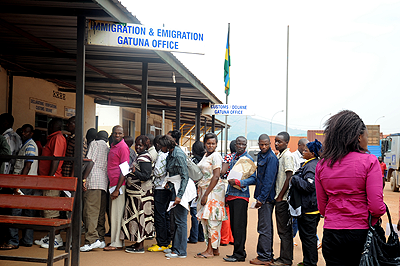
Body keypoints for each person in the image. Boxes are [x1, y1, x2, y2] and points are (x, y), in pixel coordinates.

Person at [315, 110, 386, 266]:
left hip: (332, 234)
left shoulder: (322, 165)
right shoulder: (370, 162)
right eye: (366, 136)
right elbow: (376, 207)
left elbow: (322, 208)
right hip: (361, 234)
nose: (367, 140)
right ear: (359, 137)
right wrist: (381, 211)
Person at [1, 124, 38, 250]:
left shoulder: (30, 145)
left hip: (24, 182)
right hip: (29, 182)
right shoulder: (26, 144)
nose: (24, 134)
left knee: (15, 212)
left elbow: (27, 165)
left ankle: (13, 241)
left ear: (31, 133)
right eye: (23, 132)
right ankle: (27, 240)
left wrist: (19, 185)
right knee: (28, 212)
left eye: (27, 132)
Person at [34, 118, 67, 249]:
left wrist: (51, 177)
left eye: (50, 125)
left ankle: (56, 239)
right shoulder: (52, 138)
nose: (48, 127)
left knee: (51, 210)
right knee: (47, 210)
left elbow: (56, 158)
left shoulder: (58, 137)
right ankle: (50, 236)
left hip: (52, 179)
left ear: (54, 126)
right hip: (47, 179)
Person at [223, 136, 256, 262]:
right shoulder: (233, 158)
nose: (241, 146)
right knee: (233, 225)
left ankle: (240, 254)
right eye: (238, 144)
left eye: (243, 144)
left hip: (241, 196)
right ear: (235, 144)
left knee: (239, 226)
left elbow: (253, 179)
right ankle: (236, 252)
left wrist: (239, 182)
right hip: (231, 195)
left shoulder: (248, 159)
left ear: (246, 145)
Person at [290, 139, 322, 266]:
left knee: (308, 238)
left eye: (306, 150)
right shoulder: (310, 163)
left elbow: (310, 186)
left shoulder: (310, 166)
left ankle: (310, 263)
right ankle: (307, 261)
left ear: (313, 153)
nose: (303, 151)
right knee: (306, 237)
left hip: (310, 208)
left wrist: (295, 178)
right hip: (310, 207)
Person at [194, 133, 226, 258]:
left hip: (213, 192)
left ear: (216, 144)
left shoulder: (216, 156)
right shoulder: (206, 155)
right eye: (208, 143)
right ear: (204, 144)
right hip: (205, 190)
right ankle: (215, 248)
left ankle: (209, 250)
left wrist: (206, 194)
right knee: (207, 220)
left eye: (213, 143)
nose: (211, 145)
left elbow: (216, 176)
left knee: (212, 220)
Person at [160, 134, 191, 258]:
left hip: (181, 190)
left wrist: (179, 195)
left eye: (161, 145)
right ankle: (175, 247)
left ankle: (181, 251)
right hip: (175, 188)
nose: (160, 148)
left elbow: (185, 176)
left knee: (181, 221)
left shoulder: (178, 155)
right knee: (175, 220)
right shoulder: (171, 154)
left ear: (167, 145)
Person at [122, 135, 154, 253]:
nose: (138, 147)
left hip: (141, 195)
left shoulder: (144, 158)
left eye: (140, 145)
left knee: (140, 219)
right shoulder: (140, 156)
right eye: (136, 144)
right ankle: (137, 243)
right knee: (137, 218)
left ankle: (140, 246)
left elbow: (146, 176)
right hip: (136, 194)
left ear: (146, 146)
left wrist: (134, 171)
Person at [250, 134, 279, 265]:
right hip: (262, 197)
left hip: (266, 199)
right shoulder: (262, 156)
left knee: (264, 228)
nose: (263, 147)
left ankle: (265, 257)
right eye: (261, 144)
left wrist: (261, 199)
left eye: (266, 144)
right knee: (264, 226)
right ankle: (266, 254)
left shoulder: (271, 158)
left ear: (270, 144)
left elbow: (268, 181)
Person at [80, 131, 110, 252]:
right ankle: (101, 238)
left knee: (90, 211)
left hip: (93, 180)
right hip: (103, 182)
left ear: (97, 137)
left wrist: (84, 178)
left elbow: (90, 161)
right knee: (100, 212)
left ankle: (91, 240)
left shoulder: (94, 143)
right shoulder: (107, 148)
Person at [104, 125, 130, 251]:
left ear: (123, 134)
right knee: (113, 213)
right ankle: (116, 241)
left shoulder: (123, 147)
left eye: (119, 133)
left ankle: (117, 243)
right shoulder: (113, 146)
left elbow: (124, 171)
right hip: (112, 184)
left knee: (117, 214)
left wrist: (116, 189)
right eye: (115, 133)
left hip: (118, 186)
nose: (117, 135)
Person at [272, 132, 294, 266]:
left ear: (286, 143)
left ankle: (286, 260)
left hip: (284, 200)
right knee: (281, 231)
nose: (276, 144)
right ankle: (283, 257)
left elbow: (289, 177)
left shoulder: (287, 156)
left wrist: (280, 196)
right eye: (275, 141)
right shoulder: (280, 155)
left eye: (279, 142)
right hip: (280, 198)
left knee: (285, 231)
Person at [148, 135, 172, 252]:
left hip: (160, 188)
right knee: (166, 215)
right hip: (167, 188)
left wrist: (151, 169)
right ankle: (167, 241)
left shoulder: (162, 156)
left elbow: (158, 172)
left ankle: (161, 242)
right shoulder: (169, 155)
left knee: (159, 216)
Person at [291, 138, 308, 247]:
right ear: (299, 145)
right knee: (295, 217)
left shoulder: (307, 157)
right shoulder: (293, 156)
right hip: (295, 191)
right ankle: (290, 237)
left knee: (301, 217)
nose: (306, 149)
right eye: (304, 146)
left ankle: (291, 237)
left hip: (304, 191)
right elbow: (292, 173)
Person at [188, 140, 205, 244]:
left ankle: (193, 237)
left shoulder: (193, 160)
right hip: (202, 189)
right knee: (200, 213)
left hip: (194, 189)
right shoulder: (205, 160)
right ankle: (201, 236)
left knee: (194, 213)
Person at [220, 140, 236, 246]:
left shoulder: (228, 157)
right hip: (237, 186)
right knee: (234, 213)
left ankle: (224, 239)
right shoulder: (241, 158)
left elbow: (223, 172)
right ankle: (232, 238)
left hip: (226, 185)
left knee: (225, 213)